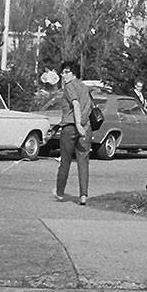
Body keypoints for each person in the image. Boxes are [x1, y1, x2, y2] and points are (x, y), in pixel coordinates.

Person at [54, 60, 92, 206]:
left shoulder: (69, 86)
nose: (63, 75)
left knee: (65, 161)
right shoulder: (84, 87)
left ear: (73, 73)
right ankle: (83, 195)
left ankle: (60, 193)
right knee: (83, 162)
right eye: (62, 72)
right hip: (86, 127)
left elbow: (75, 103)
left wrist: (77, 124)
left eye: (66, 72)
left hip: (71, 127)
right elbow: (87, 107)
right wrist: (83, 125)